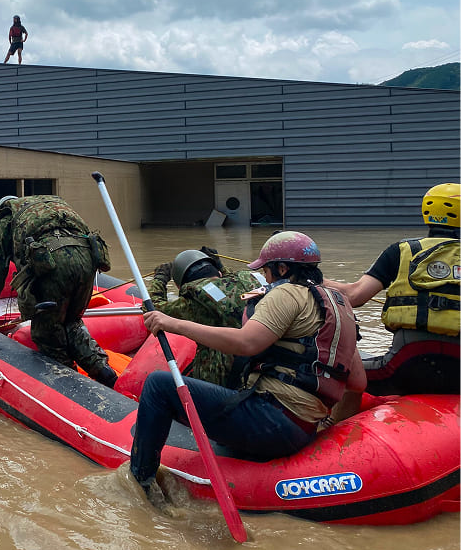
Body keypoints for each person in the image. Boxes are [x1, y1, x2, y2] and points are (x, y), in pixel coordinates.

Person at [129, 231, 365, 507]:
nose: (264, 278)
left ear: (282, 268)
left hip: (269, 423)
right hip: (303, 428)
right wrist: (325, 424)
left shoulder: (287, 293)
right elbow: (358, 382)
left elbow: (246, 342)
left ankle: (140, 485)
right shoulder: (340, 306)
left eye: (266, 270)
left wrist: (171, 323)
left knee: (159, 385)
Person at [0, 195, 117, 387]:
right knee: (72, 323)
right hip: (87, 260)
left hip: (54, 266)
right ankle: (104, 373)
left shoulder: (8, 220)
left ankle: (73, 388)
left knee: (47, 333)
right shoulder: (49, 206)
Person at [324, 183, 460, 395]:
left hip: (405, 365)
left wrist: (310, 277)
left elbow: (354, 296)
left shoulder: (402, 251)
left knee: (337, 374)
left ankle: (332, 425)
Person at [150, 247, 268, 386]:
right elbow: (230, 289)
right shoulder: (248, 285)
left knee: (156, 382)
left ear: (178, 285)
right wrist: (220, 264)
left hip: (225, 378)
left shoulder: (195, 302)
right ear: (218, 272)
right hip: (263, 365)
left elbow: (153, 309)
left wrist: (160, 278)